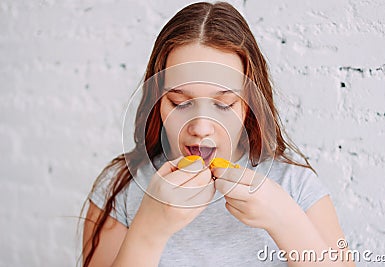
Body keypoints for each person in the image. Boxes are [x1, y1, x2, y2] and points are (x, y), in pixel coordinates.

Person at [81, 2, 355, 266]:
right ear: (157, 100)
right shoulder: (121, 188)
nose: (201, 127)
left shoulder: (294, 185)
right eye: (180, 103)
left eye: (224, 104)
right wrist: (147, 233)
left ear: (250, 104)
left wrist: (285, 221)